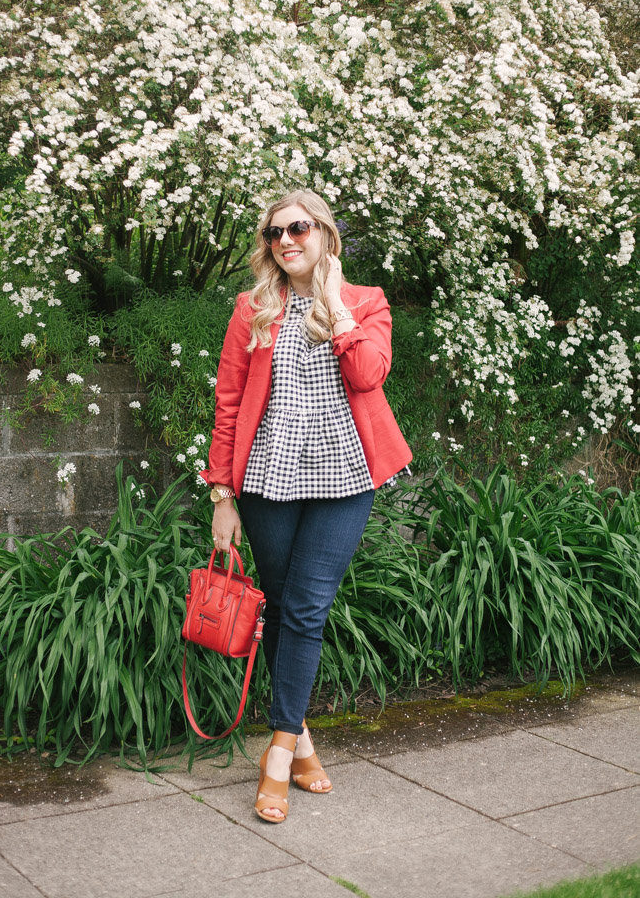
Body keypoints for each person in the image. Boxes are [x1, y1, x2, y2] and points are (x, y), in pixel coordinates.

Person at [201, 188, 412, 823]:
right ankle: (302, 741)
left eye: (297, 229)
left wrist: (336, 307)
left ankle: (276, 751)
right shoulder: (253, 309)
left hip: (344, 479)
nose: (285, 241)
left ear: (323, 233)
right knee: (283, 604)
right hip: (267, 480)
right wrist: (221, 492)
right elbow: (230, 400)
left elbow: (369, 375)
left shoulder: (365, 303)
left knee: (307, 607)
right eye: (273, 234)